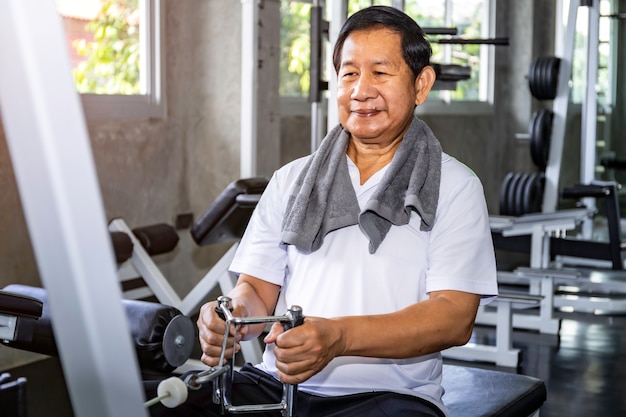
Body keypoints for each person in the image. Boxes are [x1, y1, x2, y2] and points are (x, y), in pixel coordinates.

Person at [148, 5, 497, 417]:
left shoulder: (454, 185)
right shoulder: (291, 179)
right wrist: (232, 317)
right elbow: (258, 291)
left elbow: (453, 318)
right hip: (278, 384)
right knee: (149, 403)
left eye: (380, 73)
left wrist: (340, 337)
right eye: (349, 74)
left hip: (390, 400)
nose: (360, 90)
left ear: (421, 85)